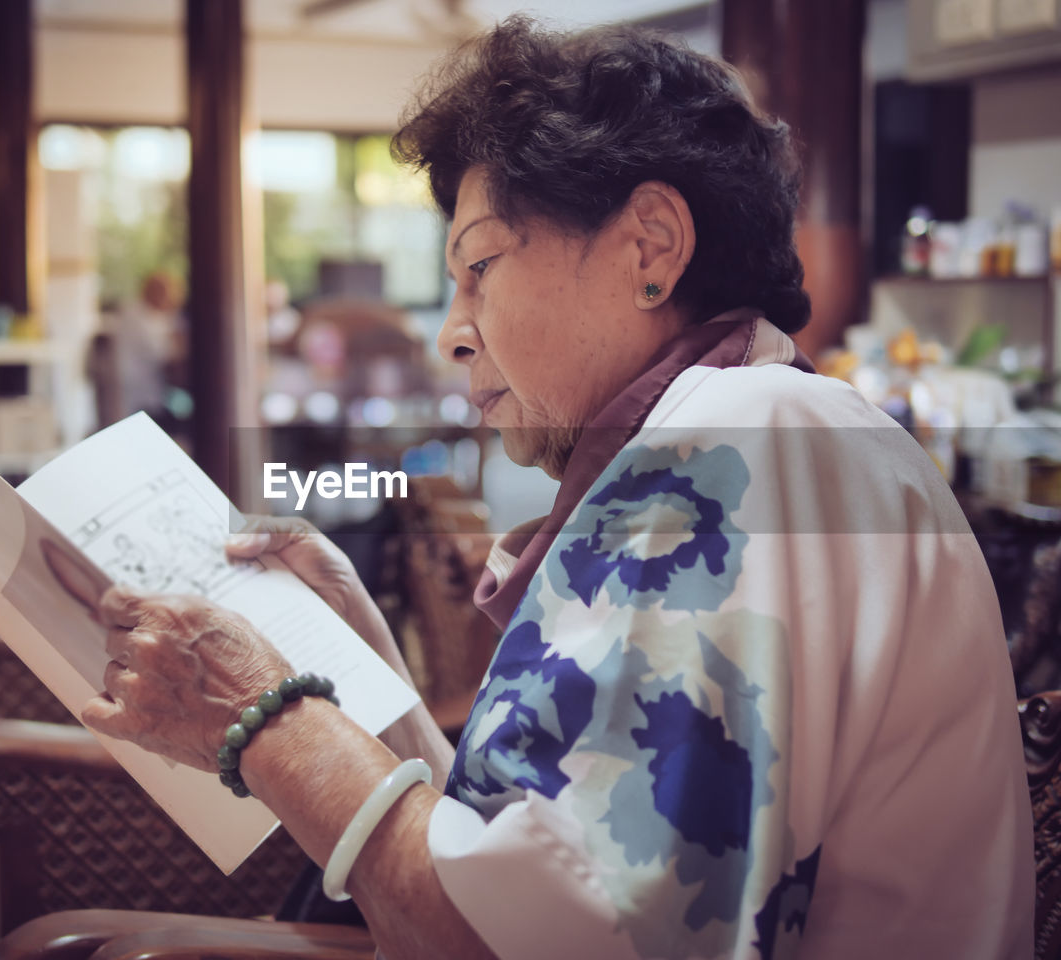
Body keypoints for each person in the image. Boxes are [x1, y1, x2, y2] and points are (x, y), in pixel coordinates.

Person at [80, 18, 1033, 960]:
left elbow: (519, 940)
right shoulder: (767, 429)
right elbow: (540, 866)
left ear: (651, 247)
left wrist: (269, 714)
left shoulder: (746, 439)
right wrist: (364, 666)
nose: (452, 334)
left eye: (480, 268)